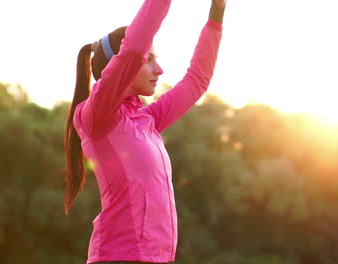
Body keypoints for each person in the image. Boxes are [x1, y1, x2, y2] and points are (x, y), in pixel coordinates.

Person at [63, 0, 226, 263]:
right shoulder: (95, 116)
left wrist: (216, 13)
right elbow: (135, 46)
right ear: (120, 65)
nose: (159, 69)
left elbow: (196, 81)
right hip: (118, 257)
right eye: (148, 60)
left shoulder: (147, 119)